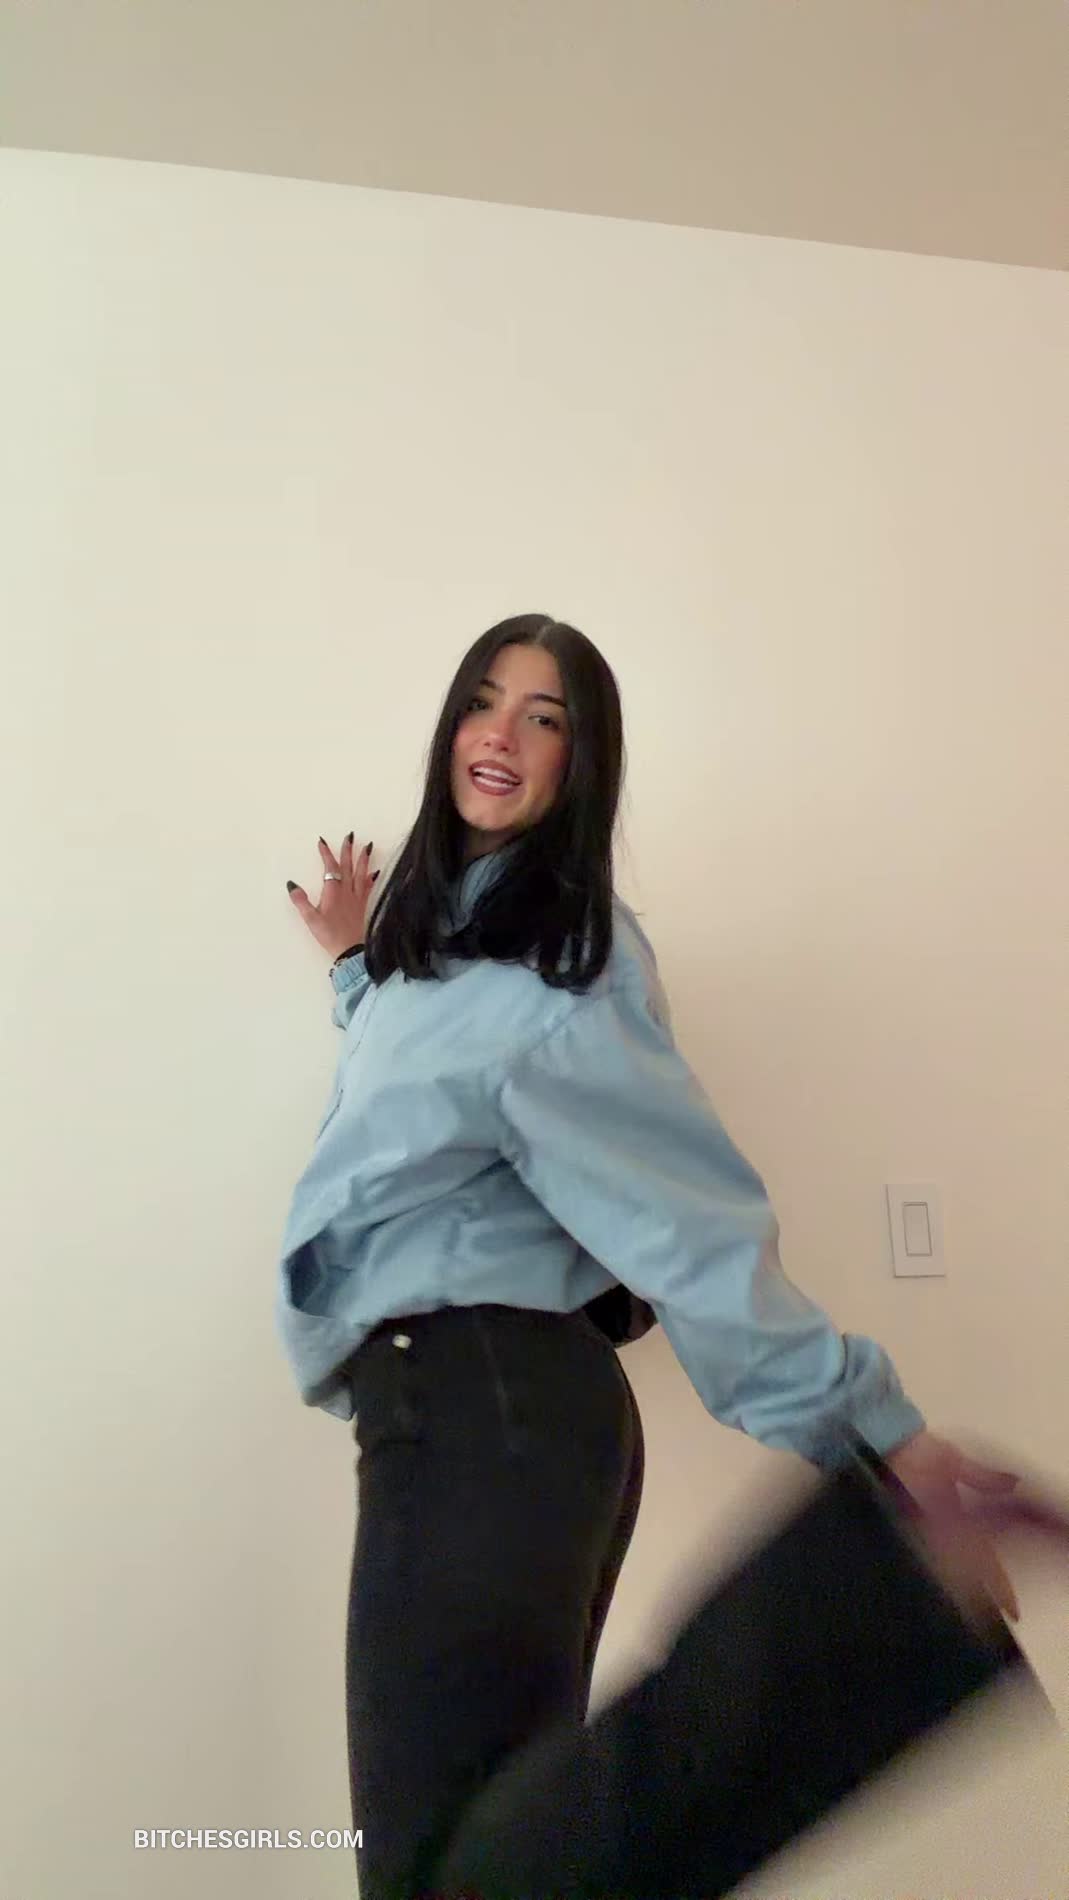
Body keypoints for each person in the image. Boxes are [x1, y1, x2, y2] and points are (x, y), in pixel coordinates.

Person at [279, 614, 1067, 1900]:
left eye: (546, 717)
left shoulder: (558, 967)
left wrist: (873, 1430)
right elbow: (438, 1108)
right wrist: (361, 970)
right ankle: (880, 1603)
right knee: (481, 1868)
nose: (502, 733)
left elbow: (676, 1218)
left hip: (481, 1407)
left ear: (579, 764)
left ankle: (881, 1596)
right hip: (482, 1414)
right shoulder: (455, 962)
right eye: (484, 700)